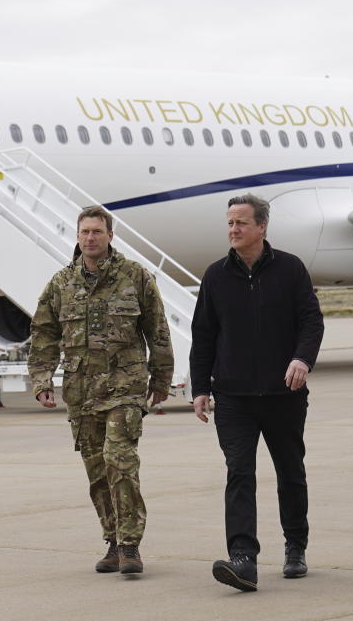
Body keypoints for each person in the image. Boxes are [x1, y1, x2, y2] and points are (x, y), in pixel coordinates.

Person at [190, 193, 324, 592]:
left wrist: (302, 359)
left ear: (262, 227)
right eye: (230, 223)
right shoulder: (215, 275)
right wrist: (200, 388)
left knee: (290, 473)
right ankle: (243, 559)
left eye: (241, 223)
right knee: (239, 474)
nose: (233, 229)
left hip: (284, 394)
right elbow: (204, 335)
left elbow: (311, 322)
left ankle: (295, 546)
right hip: (233, 397)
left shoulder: (290, 269)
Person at [29, 205, 173, 575]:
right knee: (96, 471)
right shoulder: (61, 284)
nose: (90, 238)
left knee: (119, 460)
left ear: (110, 236)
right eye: (85, 232)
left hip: (124, 387)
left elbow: (157, 329)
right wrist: (42, 381)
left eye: (97, 231)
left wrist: (161, 379)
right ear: (77, 237)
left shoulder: (135, 277)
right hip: (81, 392)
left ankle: (130, 545)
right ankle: (111, 541)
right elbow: (44, 335)